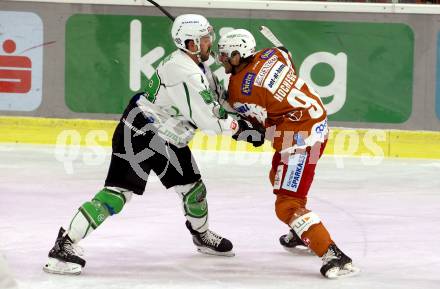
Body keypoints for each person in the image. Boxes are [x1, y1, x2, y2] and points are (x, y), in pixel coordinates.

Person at [43, 15, 262, 275]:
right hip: (140, 132)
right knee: (118, 194)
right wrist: (244, 131)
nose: (209, 43)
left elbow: (219, 100)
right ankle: (65, 242)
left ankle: (200, 235)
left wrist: (252, 112)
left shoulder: (198, 66)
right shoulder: (184, 71)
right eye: (205, 39)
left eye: (209, 37)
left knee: (193, 189)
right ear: (191, 44)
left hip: (169, 136)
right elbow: (208, 119)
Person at [217, 29, 359, 279]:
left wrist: (229, 114)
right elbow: (286, 54)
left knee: (286, 205)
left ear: (239, 55)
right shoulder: (270, 54)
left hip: (300, 139)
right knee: (277, 176)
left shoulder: (242, 92)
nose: (222, 60)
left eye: (225, 55)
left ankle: (333, 254)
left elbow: (257, 133)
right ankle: (300, 229)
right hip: (314, 123)